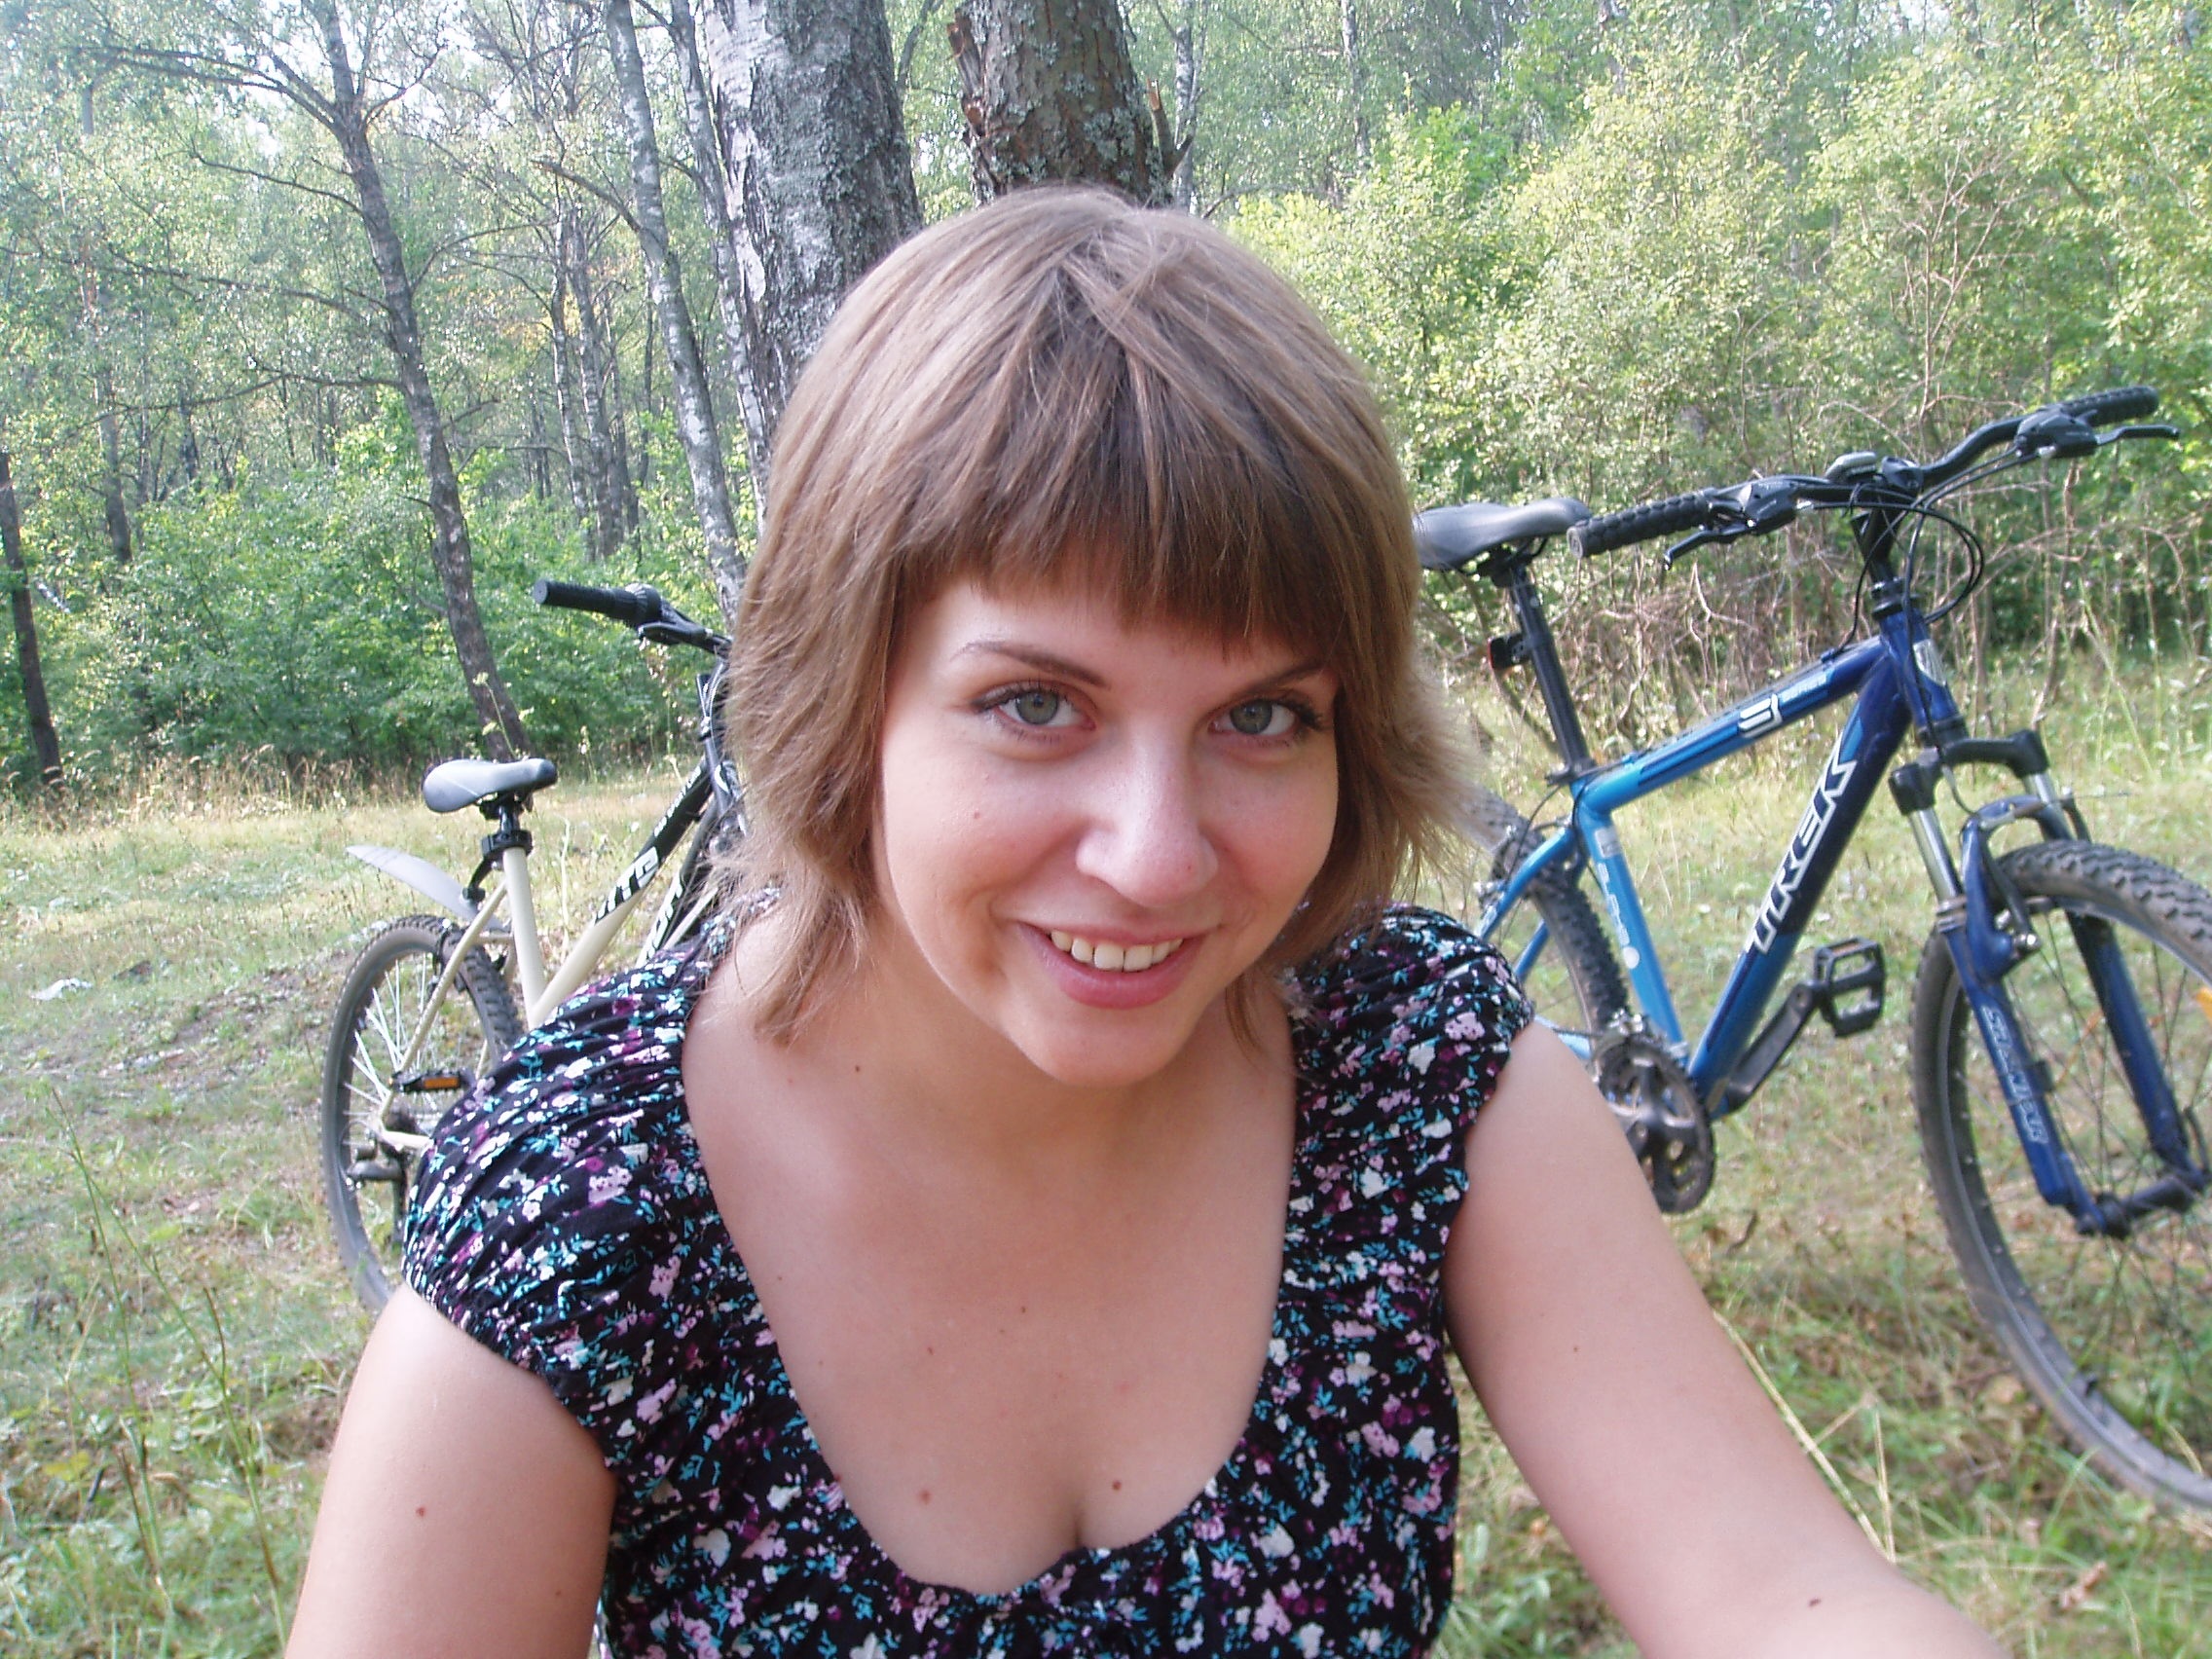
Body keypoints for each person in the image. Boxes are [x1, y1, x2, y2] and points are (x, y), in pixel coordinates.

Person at [289, 187, 2002, 1659]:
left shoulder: (1414, 1076)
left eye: (1262, 716)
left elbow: (1777, 1591)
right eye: (1036, 704)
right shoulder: (583, 1204)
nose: (1159, 856)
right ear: (847, 699)